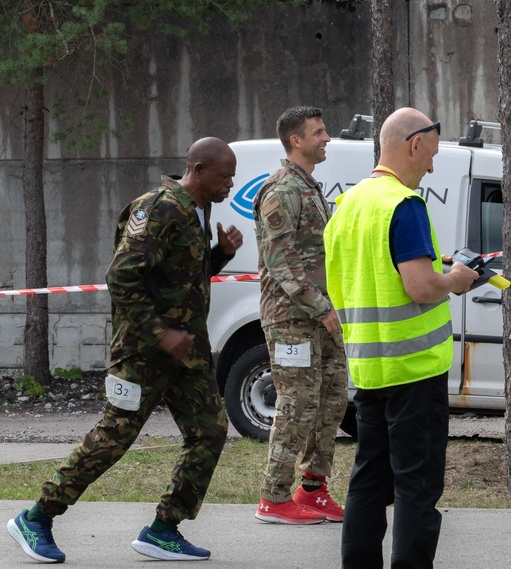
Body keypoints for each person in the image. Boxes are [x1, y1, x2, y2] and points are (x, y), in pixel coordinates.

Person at [6, 137, 243, 562]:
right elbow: (122, 278)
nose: (230, 185)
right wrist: (161, 334)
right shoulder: (157, 207)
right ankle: (37, 517)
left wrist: (219, 255)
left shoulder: (197, 211)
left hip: (186, 353)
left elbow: (181, 275)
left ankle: (164, 528)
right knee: (115, 437)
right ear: (199, 169)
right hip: (144, 352)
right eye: (225, 176)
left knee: (210, 431)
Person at [323, 107, 478, 568]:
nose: (431, 165)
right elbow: (421, 287)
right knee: (417, 485)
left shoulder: (348, 205)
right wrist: (456, 279)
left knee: (369, 479)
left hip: (370, 368)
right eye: (431, 154)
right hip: (415, 369)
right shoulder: (404, 205)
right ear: (414, 145)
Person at [253, 106, 349, 525]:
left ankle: (312, 489)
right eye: (319, 132)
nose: (326, 138)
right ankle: (273, 498)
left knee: (331, 398)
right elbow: (281, 261)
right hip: (292, 317)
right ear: (297, 140)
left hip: (320, 315)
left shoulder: (309, 188)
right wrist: (320, 305)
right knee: (296, 404)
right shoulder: (282, 190)